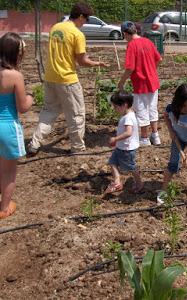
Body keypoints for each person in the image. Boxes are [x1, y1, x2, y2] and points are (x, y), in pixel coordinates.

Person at [27, 2, 108, 155]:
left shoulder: (56, 27)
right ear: (81, 16)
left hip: (50, 77)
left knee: (48, 112)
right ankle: (77, 148)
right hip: (67, 79)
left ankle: (34, 143)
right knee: (76, 114)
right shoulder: (77, 34)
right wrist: (97, 63)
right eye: (86, 19)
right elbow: (82, 61)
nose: (85, 23)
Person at [0, 33, 33, 218]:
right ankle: (4, 208)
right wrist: (31, 97)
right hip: (7, 127)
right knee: (8, 171)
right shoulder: (15, 76)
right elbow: (23, 107)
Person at [118, 21, 162, 147]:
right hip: (153, 82)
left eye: (124, 35)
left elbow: (130, 67)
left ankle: (144, 139)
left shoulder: (131, 45)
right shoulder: (148, 41)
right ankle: (155, 136)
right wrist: (151, 70)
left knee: (142, 111)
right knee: (153, 110)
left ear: (125, 33)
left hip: (140, 83)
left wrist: (121, 82)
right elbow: (159, 59)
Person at [105, 91, 142, 194]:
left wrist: (115, 139)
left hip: (127, 149)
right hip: (121, 147)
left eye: (116, 107)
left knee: (131, 167)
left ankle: (139, 183)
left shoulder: (128, 118)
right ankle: (117, 182)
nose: (115, 109)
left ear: (125, 105)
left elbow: (128, 133)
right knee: (112, 162)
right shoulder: (130, 113)